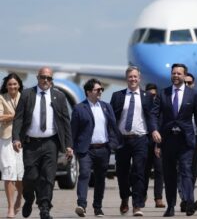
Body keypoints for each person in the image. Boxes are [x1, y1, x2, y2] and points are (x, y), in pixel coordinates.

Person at [12, 67, 73, 219]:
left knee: (48, 177)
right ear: (37, 77)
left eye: (49, 78)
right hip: (31, 144)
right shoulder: (27, 94)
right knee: (30, 177)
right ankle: (29, 199)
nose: (46, 81)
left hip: (51, 143)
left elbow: (66, 122)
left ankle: (44, 208)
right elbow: (18, 118)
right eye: (43, 77)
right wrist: (16, 138)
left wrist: (68, 145)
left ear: (52, 80)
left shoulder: (59, 97)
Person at [151, 63, 197, 217]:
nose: (176, 76)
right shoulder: (163, 94)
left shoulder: (193, 94)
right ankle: (170, 206)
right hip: (168, 141)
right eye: (173, 73)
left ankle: (189, 203)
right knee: (169, 175)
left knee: (186, 172)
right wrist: (154, 130)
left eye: (179, 73)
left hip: (186, 141)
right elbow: (154, 115)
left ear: (185, 76)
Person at [71, 79, 119, 217]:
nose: (100, 92)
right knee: (85, 173)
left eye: (101, 90)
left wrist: (112, 145)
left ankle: (98, 207)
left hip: (103, 149)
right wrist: (70, 147)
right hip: (86, 149)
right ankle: (81, 204)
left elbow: (112, 127)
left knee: (100, 179)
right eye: (97, 90)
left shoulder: (106, 106)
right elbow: (73, 130)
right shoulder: (79, 108)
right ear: (88, 92)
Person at [110, 66, 153, 216]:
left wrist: (154, 131)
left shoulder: (147, 96)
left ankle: (137, 204)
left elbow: (151, 117)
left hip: (140, 139)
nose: (133, 79)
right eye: (130, 77)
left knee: (139, 172)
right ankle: (124, 198)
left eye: (135, 77)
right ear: (126, 79)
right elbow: (112, 119)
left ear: (139, 79)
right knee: (122, 172)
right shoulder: (117, 96)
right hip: (122, 139)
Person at [0, 73, 24, 218]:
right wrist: (16, 115)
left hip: (22, 139)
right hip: (6, 138)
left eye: (15, 84)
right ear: (6, 86)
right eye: (10, 84)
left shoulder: (26, 97)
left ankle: (19, 197)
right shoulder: (2, 98)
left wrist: (9, 116)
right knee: (8, 173)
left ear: (19, 85)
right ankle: (9, 207)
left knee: (21, 173)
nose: (12, 87)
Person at [178, 73, 197, 212]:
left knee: (192, 172)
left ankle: (186, 199)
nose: (187, 85)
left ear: (193, 84)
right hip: (180, 140)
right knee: (182, 172)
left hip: (195, 139)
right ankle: (187, 200)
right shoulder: (175, 99)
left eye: (189, 83)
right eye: (185, 82)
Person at [143, 83, 165, 208]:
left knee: (159, 170)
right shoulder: (142, 107)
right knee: (144, 170)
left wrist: (159, 144)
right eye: (149, 95)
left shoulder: (160, 109)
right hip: (145, 143)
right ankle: (142, 195)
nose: (152, 97)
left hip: (158, 143)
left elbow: (162, 126)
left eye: (154, 95)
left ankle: (158, 198)